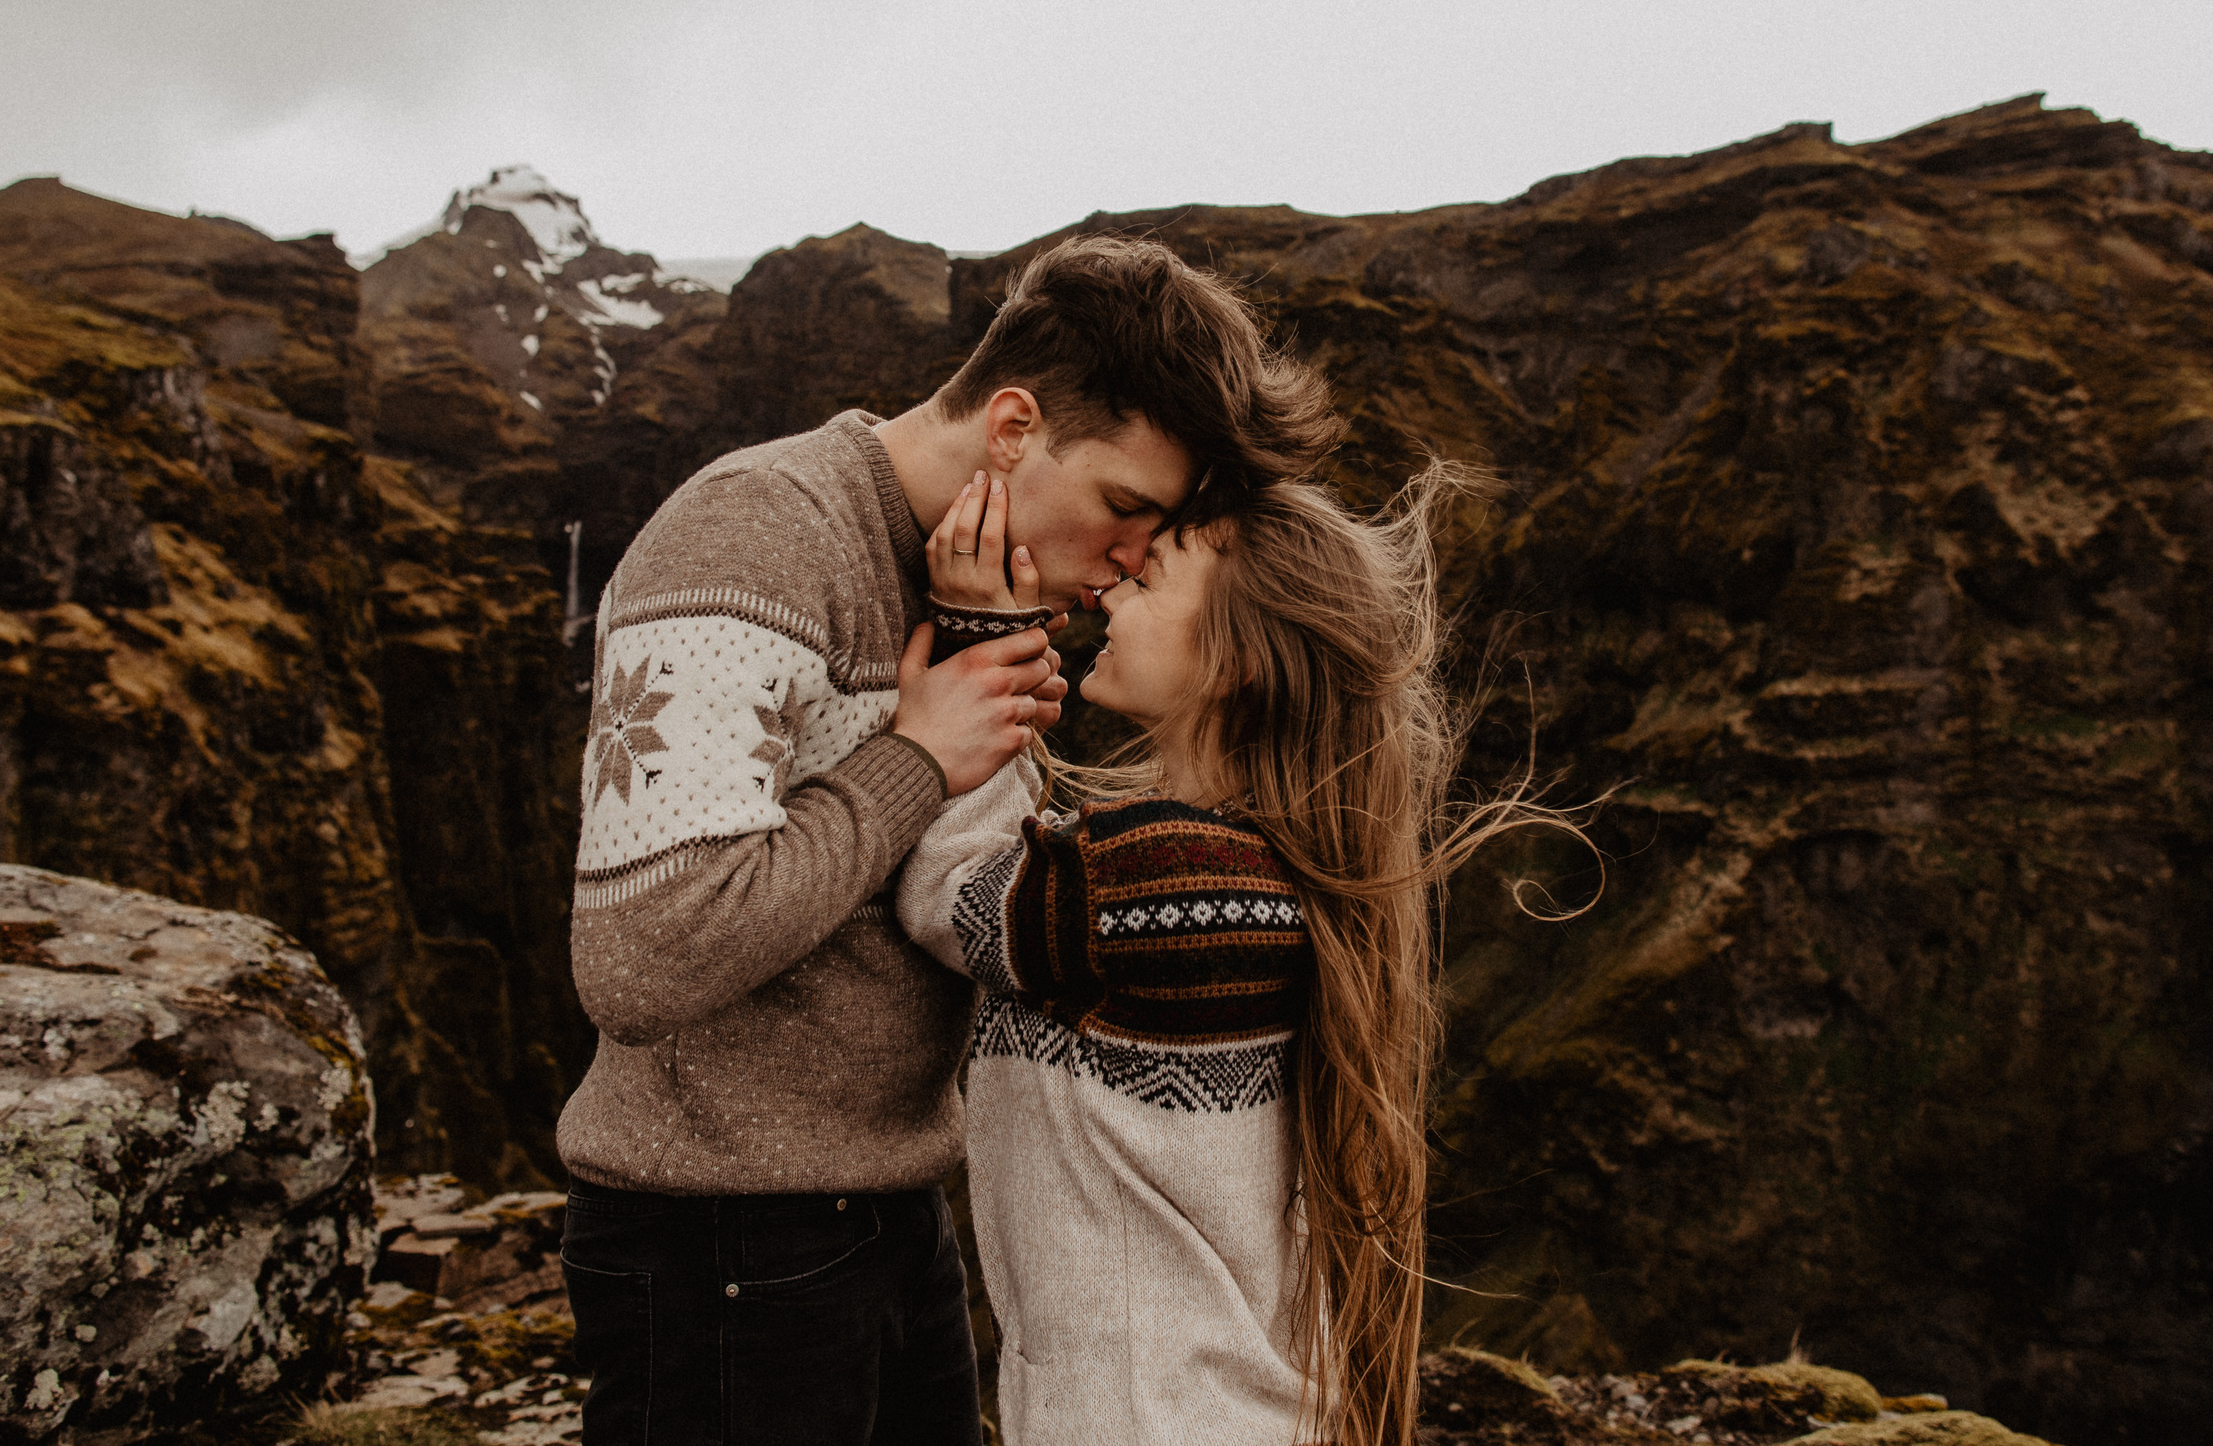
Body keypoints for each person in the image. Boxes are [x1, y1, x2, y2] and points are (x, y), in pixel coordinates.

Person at [558, 233, 1339, 1446]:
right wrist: (912, 761)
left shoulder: (978, 578)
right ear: (1014, 428)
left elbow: (976, 874)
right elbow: (641, 959)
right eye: (1125, 508)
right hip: (720, 1242)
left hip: (887, 1210)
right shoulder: (754, 537)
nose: (1131, 560)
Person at [896, 465, 1590, 1446]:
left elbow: (951, 895)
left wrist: (979, 643)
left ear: (1235, 662)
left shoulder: (1168, 878)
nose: (1111, 588)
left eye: (1150, 578)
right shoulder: (1224, 871)